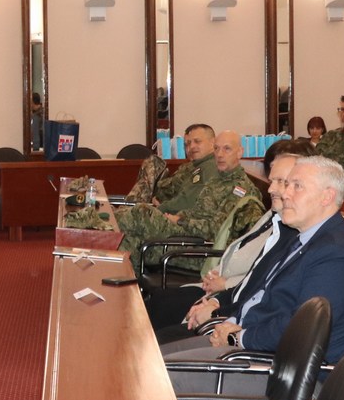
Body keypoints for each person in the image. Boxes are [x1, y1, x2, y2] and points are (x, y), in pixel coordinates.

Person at [163, 157, 344, 390]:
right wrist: (231, 323)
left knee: (157, 381)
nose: (285, 194)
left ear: (326, 196)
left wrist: (239, 337)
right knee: (153, 361)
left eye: (297, 186)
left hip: (287, 374)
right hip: (253, 349)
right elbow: (261, 295)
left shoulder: (336, 255)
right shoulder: (302, 238)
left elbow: (301, 330)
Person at [144, 148, 300, 332]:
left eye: (281, 182)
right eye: (272, 180)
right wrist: (216, 275)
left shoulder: (291, 230)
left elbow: (262, 280)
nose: (271, 188)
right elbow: (240, 247)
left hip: (232, 300)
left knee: (161, 312)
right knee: (156, 303)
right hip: (220, 286)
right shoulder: (272, 216)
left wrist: (223, 286)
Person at [118, 131, 261, 272]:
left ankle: (102, 229)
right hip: (188, 234)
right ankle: (126, 290)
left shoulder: (242, 189)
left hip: (204, 250)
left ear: (239, 152)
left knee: (141, 212)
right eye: (216, 148)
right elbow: (198, 211)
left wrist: (180, 220)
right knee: (129, 239)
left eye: (227, 149)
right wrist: (179, 216)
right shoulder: (218, 179)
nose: (220, 154)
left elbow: (216, 230)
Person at [124, 122, 214, 206]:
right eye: (187, 144)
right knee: (153, 161)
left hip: (169, 213)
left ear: (213, 142)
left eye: (197, 141)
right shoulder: (189, 166)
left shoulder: (211, 167)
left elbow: (187, 200)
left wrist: (163, 206)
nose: (191, 147)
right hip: (157, 204)